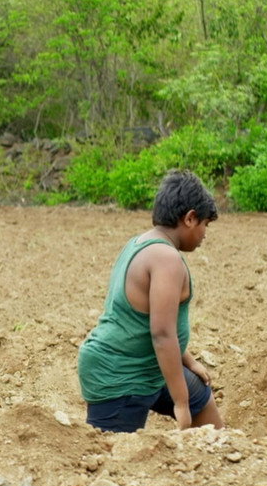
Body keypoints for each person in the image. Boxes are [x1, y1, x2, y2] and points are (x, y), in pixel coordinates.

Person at [78, 170, 226, 433]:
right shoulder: (166, 259)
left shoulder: (141, 242)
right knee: (116, 453)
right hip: (120, 373)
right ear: (190, 218)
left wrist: (189, 362)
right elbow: (162, 333)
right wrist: (181, 402)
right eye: (205, 224)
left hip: (150, 366)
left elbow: (153, 321)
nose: (205, 233)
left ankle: (220, 452)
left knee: (200, 396)